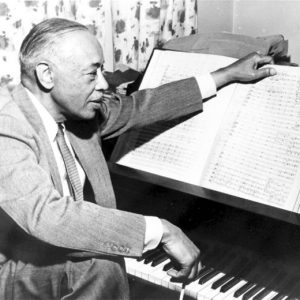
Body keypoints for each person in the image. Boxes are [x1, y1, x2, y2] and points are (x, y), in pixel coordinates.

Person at [0, 18, 276, 299]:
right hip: (11, 271)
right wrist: (162, 230)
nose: (104, 83)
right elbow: (48, 217)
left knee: (102, 265)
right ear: (47, 75)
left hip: (54, 253)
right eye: (92, 74)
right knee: (102, 264)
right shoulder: (6, 126)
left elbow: (139, 106)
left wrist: (225, 75)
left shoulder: (75, 112)